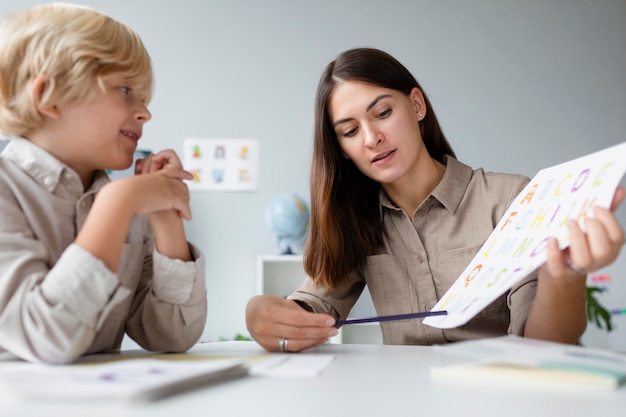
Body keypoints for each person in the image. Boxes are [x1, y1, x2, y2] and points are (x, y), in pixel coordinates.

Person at [246, 47, 625, 352]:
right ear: (342, 148)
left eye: (382, 113)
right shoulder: (357, 221)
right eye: (349, 131)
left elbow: (544, 343)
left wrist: (566, 276)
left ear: (417, 105)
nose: (371, 138)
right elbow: (310, 307)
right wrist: (260, 313)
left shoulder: (509, 198)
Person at [0, 3, 207, 364]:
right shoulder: (9, 190)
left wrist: (165, 218)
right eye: (125, 89)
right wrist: (117, 204)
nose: (145, 112)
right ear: (48, 97)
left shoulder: (123, 201)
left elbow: (172, 336)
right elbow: (47, 337)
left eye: (144, 98)